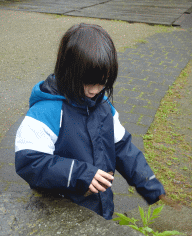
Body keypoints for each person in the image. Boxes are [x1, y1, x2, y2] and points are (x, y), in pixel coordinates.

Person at [15, 23, 167, 220]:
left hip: (101, 206)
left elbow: (123, 148)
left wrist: (149, 184)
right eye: (88, 82)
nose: (95, 90)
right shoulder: (46, 111)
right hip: (59, 212)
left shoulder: (103, 106)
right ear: (67, 70)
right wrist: (79, 173)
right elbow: (29, 161)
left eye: (102, 82)